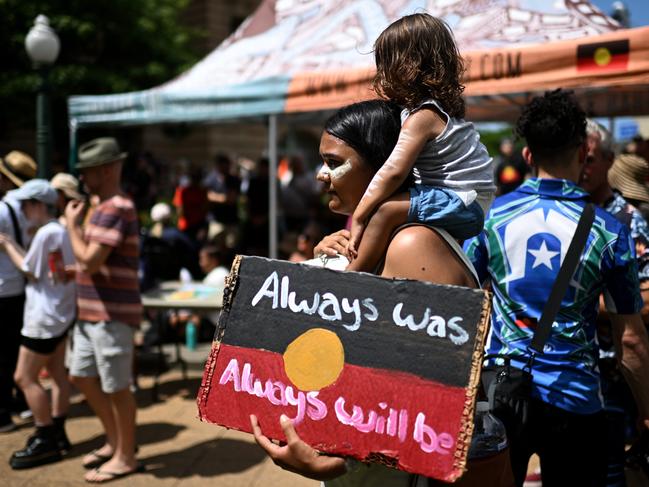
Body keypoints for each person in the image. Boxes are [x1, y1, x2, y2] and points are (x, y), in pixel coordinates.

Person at [251, 100, 512, 487]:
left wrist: (340, 465)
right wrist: (321, 267)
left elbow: (433, 397)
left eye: (335, 161)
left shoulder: (412, 245)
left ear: (384, 170)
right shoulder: (374, 241)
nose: (322, 175)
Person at [463, 89, 649, 487]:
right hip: (576, 399)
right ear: (584, 153)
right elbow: (630, 342)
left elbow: (462, 304)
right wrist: (647, 409)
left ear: (528, 156)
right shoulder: (610, 232)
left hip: (501, 397)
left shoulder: (489, 221)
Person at [345, 13, 495, 272]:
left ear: (408, 65)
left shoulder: (423, 117)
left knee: (386, 211)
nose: (380, 74)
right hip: (467, 202)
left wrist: (358, 216)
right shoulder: (426, 113)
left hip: (463, 202)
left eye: (385, 65)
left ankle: (351, 276)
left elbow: (393, 172)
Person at [65, 137, 143, 482]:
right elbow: (92, 262)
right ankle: (115, 443)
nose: (82, 178)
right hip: (92, 313)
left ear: (109, 169)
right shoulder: (100, 205)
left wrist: (70, 226)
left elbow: (91, 261)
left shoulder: (116, 207)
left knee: (117, 387)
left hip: (111, 315)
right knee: (79, 376)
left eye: (88, 171)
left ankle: (125, 456)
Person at [581, 119, 649, 487]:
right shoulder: (563, 212)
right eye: (580, 158)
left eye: (591, 159)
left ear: (609, 160)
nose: (584, 167)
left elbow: (646, 301)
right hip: (567, 373)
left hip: (610, 374)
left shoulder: (626, 220)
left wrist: (578, 302)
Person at [0, 180, 75, 469]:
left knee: (24, 378)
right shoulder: (60, 230)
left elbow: (30, 269)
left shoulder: (46, 233)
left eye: (25, 203)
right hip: (60, 313)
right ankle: (58, 431)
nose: (21, 209)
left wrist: (8, 244)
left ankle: (44, 436)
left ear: (36, 204)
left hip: (42, 318)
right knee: (57, 375)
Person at [0, 150, 37, 432]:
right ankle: (18, 401)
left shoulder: (3, 209)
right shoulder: (28, 207)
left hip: (3, 287)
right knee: (12, 350)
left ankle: (3, 411)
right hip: (20, 287)